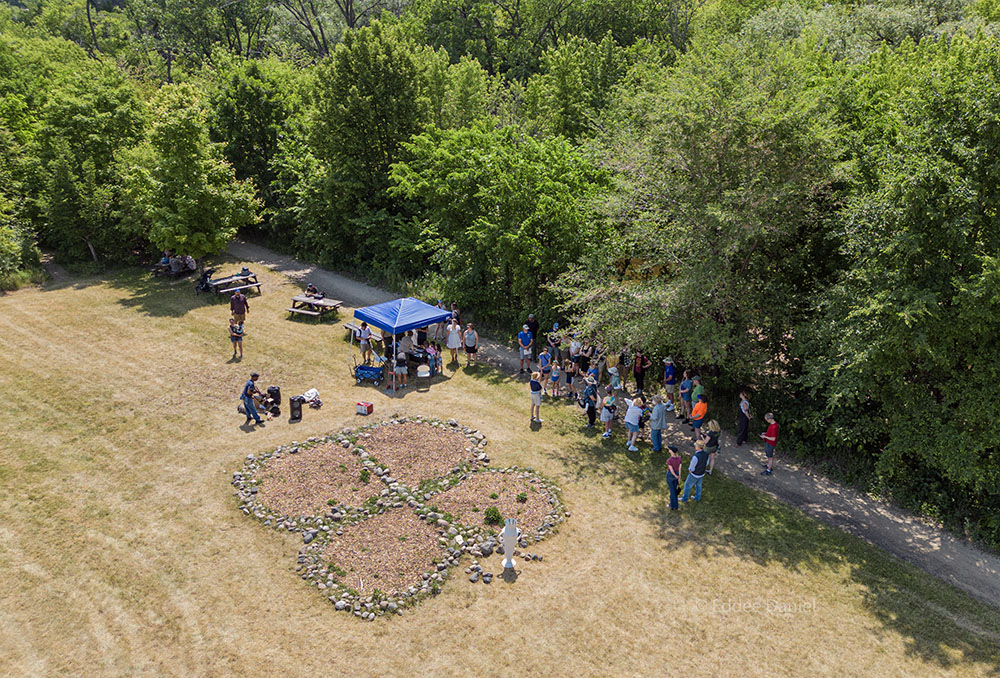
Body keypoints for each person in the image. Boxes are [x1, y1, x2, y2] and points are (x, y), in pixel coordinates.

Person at [666, 445, 683, 510]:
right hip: (677, 474)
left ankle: (674, 506)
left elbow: (671, 470)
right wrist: (679, 477)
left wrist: (676, 476)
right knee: (674, 489)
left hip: (670, 475)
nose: (669, 450)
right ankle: (672, 504)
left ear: (672, 452)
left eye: (670, 449)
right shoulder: (679, 458)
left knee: (672, 491)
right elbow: (680, 468)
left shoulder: (669, 460)